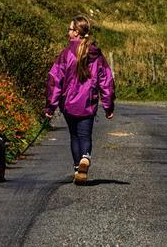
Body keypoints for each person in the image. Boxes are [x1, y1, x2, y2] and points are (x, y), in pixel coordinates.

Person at [43, 15, 115, 185]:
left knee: (74, 136)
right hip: (88, 103)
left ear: (76, 32)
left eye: (69, 29)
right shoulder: (97, 55)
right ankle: (85, 158)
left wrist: (50, 107)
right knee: (85, 135)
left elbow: (54, 80)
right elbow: (106, 80)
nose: (68, 32)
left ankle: (77, 168)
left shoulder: (66, 54)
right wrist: (108, 106)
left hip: (68, 104)